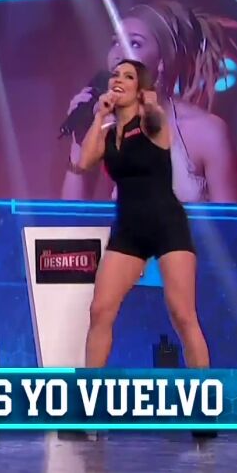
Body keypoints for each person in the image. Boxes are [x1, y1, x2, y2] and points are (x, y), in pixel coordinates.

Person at [72, 59, 210, 372]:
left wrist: (150, 105)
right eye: (115, 75)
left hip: (167, 225)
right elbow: (84, 162)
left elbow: (160, 128)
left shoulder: (150, 123)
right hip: (129, 230)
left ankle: (205, 395)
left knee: (183, 315)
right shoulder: (108, 134)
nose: (118, 80)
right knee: (100, 310)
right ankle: (88, 394)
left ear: (140, 89)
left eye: (128, 77)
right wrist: (99, 116)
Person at [63, 0, 237, 203]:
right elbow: (71, 216)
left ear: (161, 61)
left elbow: (230, 220)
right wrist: (79, 144)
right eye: (115, 42)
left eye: (134, 43)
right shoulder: (106, 128)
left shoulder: (207, 132)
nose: (118, 55)